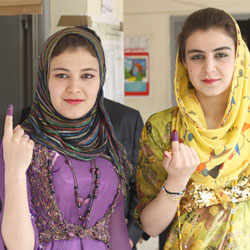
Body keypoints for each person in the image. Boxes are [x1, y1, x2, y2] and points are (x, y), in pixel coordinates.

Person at [0, 26, 132, 250]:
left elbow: (117, 234)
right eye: (61, 75)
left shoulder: (108, 146)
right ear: (44, 79)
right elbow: (18, 246)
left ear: (101, 80)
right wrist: (14, 169)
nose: (74, 88)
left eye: (87, 76)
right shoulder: (21, 146)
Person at [135, 7, 250, 250]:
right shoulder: (162, 128)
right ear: (183, 62)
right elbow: (151, 227)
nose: (209, 68)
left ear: (239, 57)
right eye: (197, 56)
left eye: (221, 55)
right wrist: (176, 181)